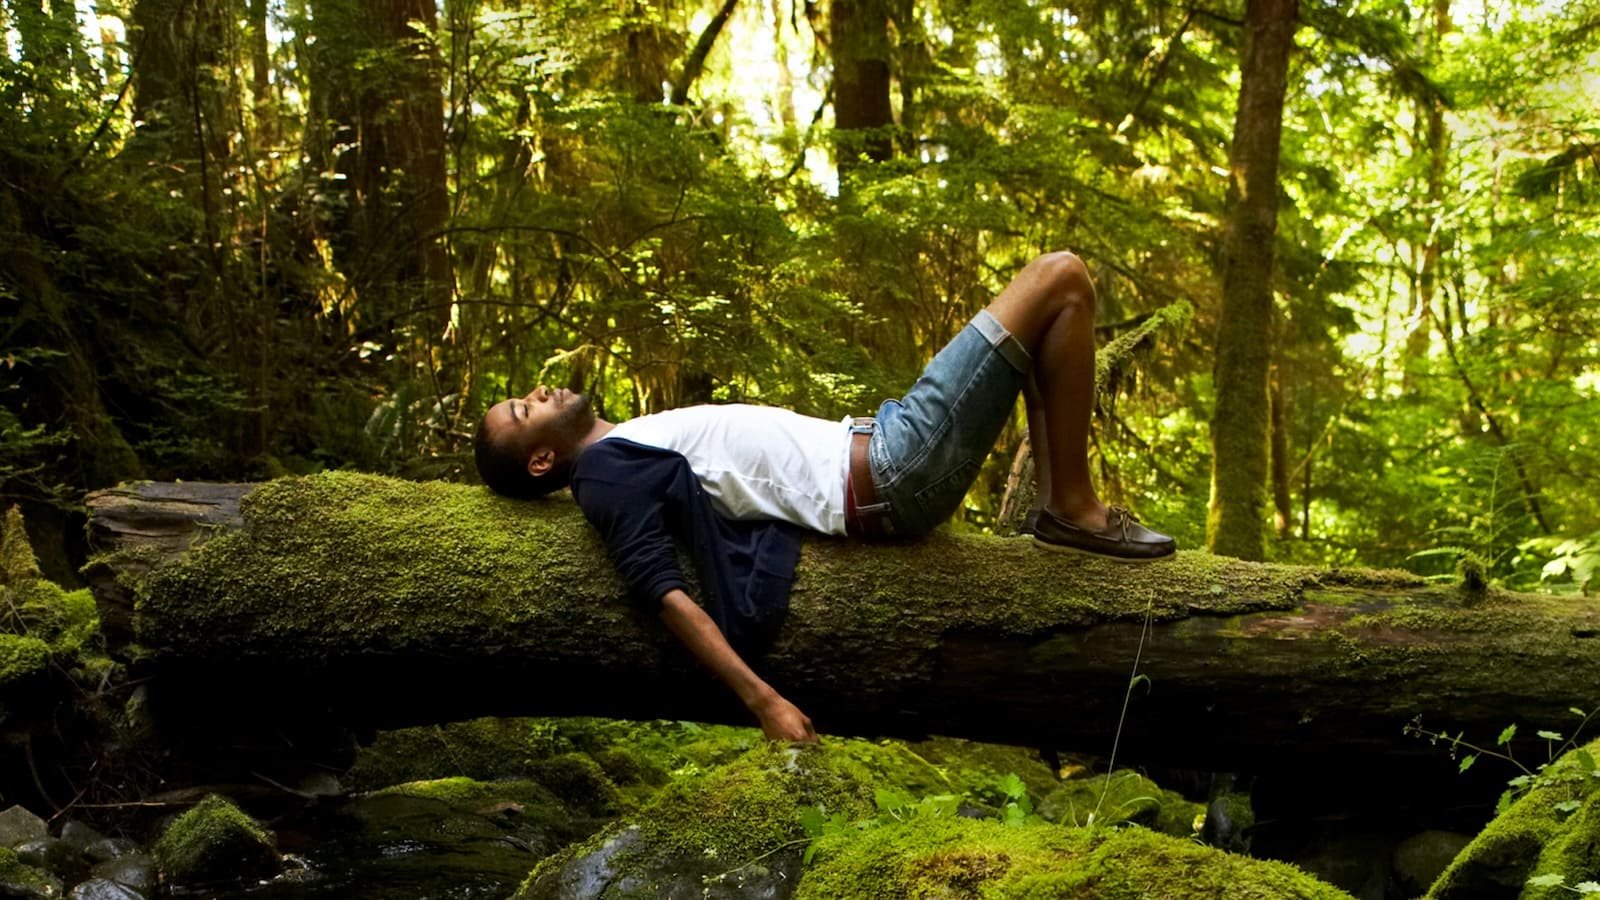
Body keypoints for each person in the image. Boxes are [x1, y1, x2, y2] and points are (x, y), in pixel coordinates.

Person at [474, 251, 1174, 742]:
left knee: (1051, 315)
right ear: (541, 459)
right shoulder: (604, 475)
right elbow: (664, 594)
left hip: (888, 443)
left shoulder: (625, 441)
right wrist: (764, 701)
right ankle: (1074, 511)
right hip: (893, 472)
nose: (537, 391)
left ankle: (1063, 503)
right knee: (1062, 276)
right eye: (521, 409)